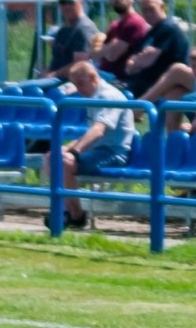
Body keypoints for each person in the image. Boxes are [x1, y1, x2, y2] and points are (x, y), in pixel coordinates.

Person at [56, 60, 138, 226]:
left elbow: (98, 130)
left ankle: (76, 215)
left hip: (115, 152)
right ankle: (65, 209)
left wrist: (74, 151)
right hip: (98, 149)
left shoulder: (109, 96)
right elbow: (90, 133)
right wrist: (67, 148)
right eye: (75, 85)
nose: (78, 90)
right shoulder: (92, 95)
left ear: (93, 78)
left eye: (80, 84)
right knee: (53, 157)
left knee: (66, 162)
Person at [124, 0, 193, 102]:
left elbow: (148, 61)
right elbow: (129, 66)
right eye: (144, 10)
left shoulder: (168, 28)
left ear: (162, 7)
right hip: (143, 82)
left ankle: (138, 109)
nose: (148, 13)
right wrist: (138, 60)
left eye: (151, 9)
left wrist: (138, 62)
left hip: (158, 83)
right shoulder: (151, 32)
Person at [94, 0, 149, 84]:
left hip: (121, 81)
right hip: (105, 77)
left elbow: (112, 55)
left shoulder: (134, 22)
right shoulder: (115, 24)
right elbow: (95, 55)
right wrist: (109, 46)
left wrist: (104, 48)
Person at [45, 0, 98, 79]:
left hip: (72, 81)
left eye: (70, 2)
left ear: (81, 3)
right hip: (56, 78)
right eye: (63, 3)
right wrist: (45, 73)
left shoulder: (84, 28)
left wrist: (53, 75)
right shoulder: (63, 30)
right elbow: (56, 60)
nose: (66, 6)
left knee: (17, 90)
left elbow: (79, 65)